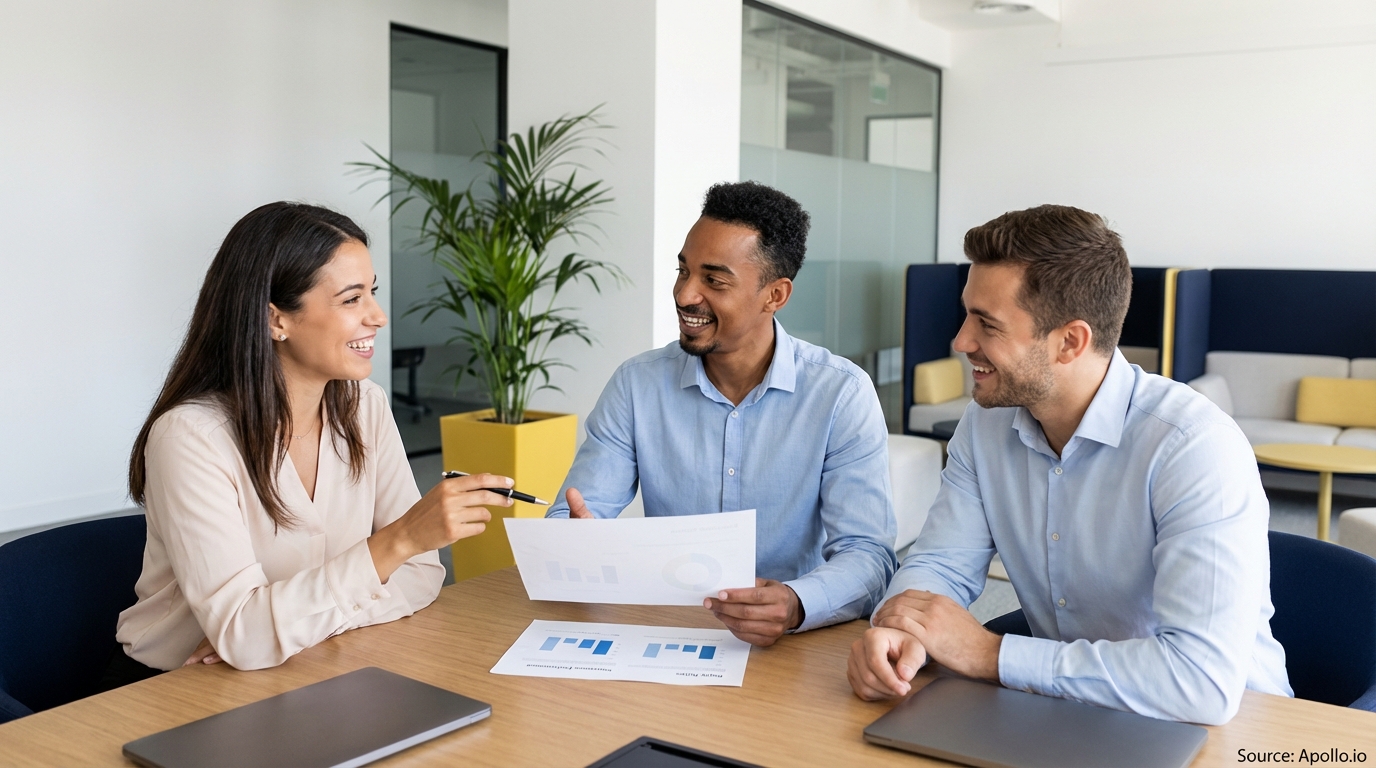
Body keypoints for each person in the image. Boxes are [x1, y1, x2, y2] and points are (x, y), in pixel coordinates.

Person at [847, 205, 1292, 724]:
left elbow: (1199, 683)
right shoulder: (985, 424)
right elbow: (942, 563)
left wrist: (991, 654)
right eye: (967, 313)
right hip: (1067, 711)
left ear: (1070, 342)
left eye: (987, 324)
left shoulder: (1193, 448)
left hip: (1224, 731)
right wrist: (900, 632)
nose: (961, 341)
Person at [114, 202, 512, 675]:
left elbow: (422, 575)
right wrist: (399, 540)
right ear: (275, 320)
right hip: (183, 686)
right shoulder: (190, 438)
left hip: (310, 667)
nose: (378, 317)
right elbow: (244, 637)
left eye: (372, 293)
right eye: (351, 299)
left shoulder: (365, 406)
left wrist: (282, 630)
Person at [547, 181, 897, 646]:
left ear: (775, 296)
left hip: (794, 644)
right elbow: (573, 516)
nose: (685, 294)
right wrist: (577, 543)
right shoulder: (636, 384)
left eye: (714, 280)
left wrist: (796, 602)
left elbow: (868, 554)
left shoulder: (840, 394)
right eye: (683, 270)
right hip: (666, 633)